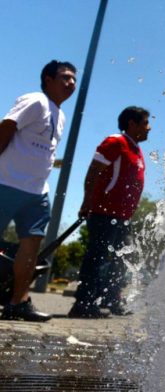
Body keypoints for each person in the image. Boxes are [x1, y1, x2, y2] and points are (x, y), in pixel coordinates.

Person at [0, 60, 77, 322]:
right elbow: (7, 127)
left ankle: (18, 302)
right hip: (6, 182)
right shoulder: (35, 101)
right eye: (65, 77)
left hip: (36, 191)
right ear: (48, 79)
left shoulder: (61, 114)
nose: (71, 83)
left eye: (73, 79)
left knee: (31, 245)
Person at [68, 106, 151, 318]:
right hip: (104, 213)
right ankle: (83, 303)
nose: (149, 128)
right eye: (145, 123)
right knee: (97, 257)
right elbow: (93, 171)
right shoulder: (115, 142)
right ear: (132, 124)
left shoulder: (135, 149)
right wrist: (87, 202)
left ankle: (111, 299)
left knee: (120, 260)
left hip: (123, 217)